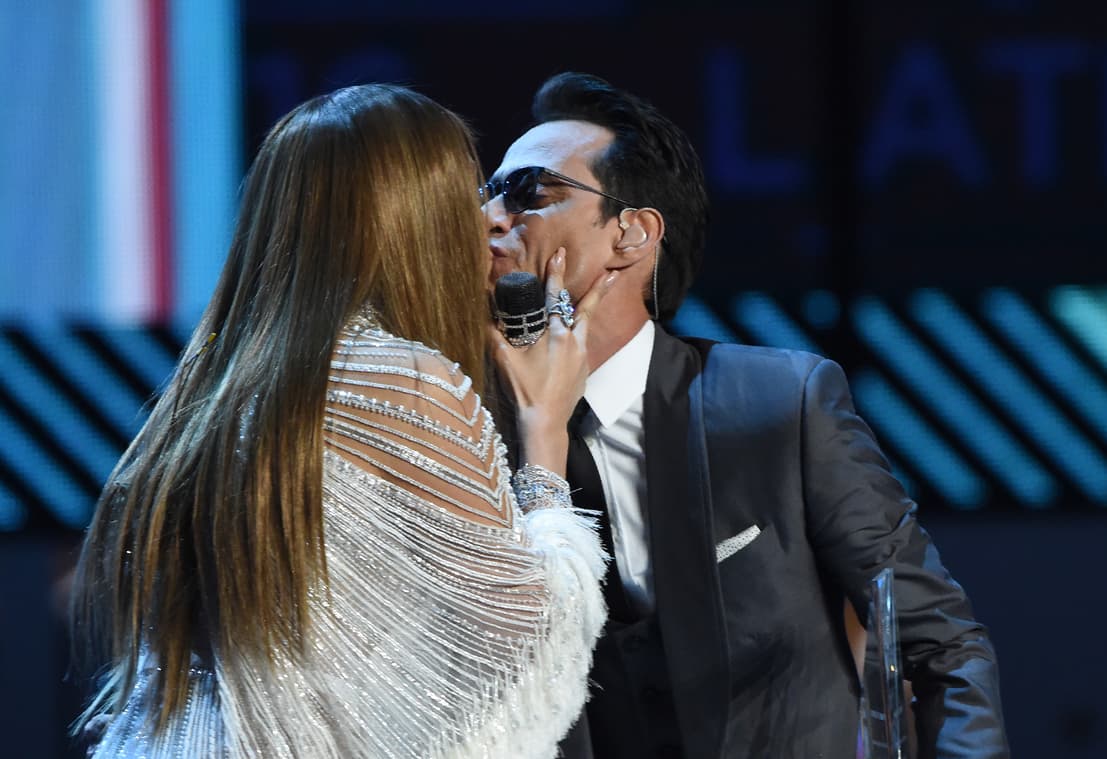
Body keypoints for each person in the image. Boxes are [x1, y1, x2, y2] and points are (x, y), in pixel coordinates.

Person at [70, 83, 613, 758]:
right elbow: (530, 645)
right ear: (417, 220)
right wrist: (545, 439)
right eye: (467, 194)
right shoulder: (407, 381)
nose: (492, 221)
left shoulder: (211, 392)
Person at [483, 72, 1010, 758]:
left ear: (631, 235)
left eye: (529, 192)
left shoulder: (778, 404)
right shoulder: (471, 433)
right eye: (487, 194)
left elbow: (942, 645)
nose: (491, 216)